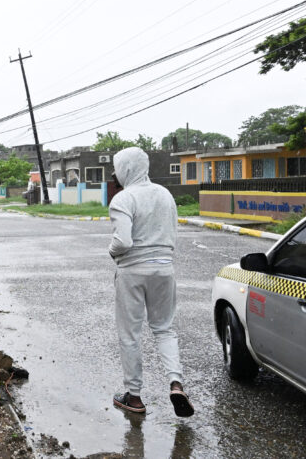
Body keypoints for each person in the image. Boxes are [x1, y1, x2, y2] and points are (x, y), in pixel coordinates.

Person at [108, 147, 194, 417]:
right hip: (164, 269)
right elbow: (173, 232)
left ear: (126, 169)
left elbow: (122, 242)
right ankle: (176, 383)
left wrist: (112, 251)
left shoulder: (123, 199)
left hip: (133, 271)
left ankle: (134, 398)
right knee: (165, 329)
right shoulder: (165, 195)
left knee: (130, 334)